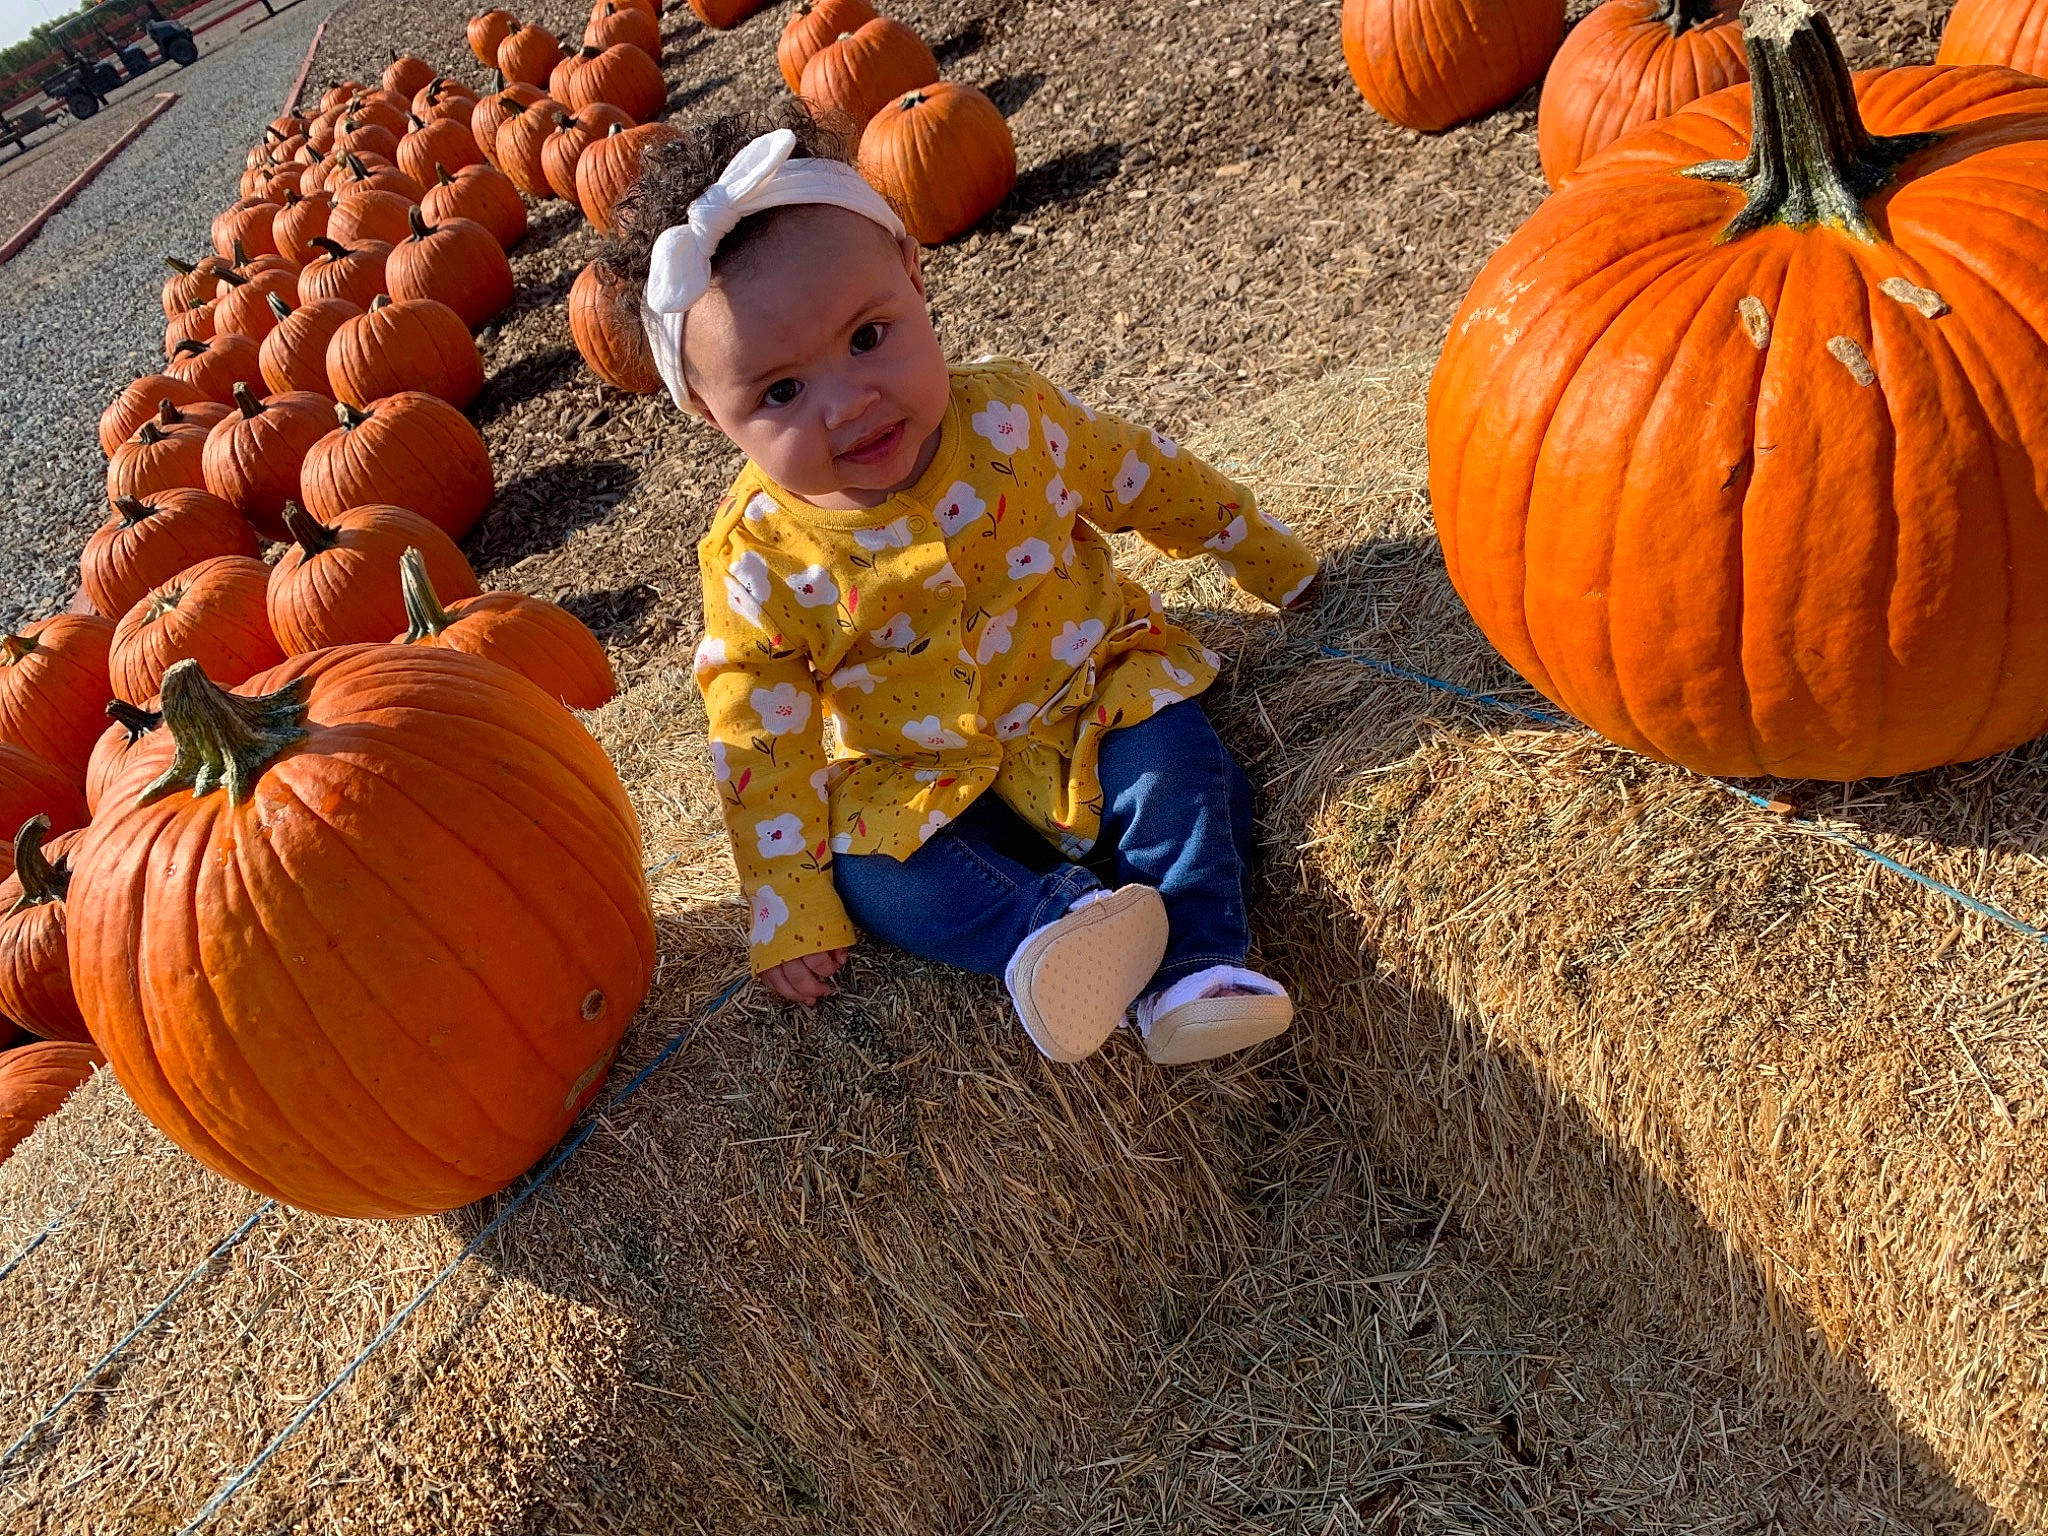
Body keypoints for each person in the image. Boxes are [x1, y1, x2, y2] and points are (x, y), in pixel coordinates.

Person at [601, 105, 1320, 1067]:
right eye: (780, 394)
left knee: (1184, 774)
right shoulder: (758, 558)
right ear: (707, 413)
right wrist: (789, 904)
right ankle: (1058, 929)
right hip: (923, 773)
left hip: (1088, 696)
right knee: (878, 877)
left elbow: (1154, 481)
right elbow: (757, 738)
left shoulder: (1017, 422)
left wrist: (1271, 559)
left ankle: (1196, 968)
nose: (849, 402)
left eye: (868, 337)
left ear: (914, 275)